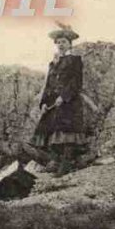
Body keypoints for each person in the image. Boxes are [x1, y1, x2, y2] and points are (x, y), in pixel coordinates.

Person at [31, 24, 89, 176]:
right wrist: (44, 103)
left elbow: (76, 82)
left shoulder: (75, 60)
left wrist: (64, 97)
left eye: (64, 42)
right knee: (51, 131)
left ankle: (66, 164)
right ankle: (54, 161)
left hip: (69, 103)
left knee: (67, 133)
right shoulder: (53, 63)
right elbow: (48, 84)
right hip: (52, 103)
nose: (61, 45)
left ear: (70, 44)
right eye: (58, 42)